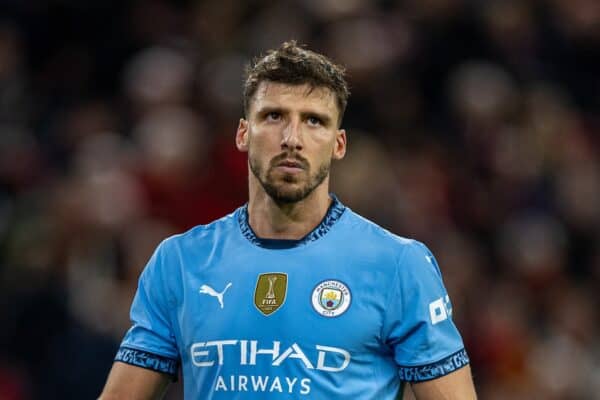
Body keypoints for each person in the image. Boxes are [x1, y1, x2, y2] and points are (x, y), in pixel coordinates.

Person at [99, 41, 477, 399]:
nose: (292, 138)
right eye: (274, 116)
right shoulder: (180, 262)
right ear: (244, 133)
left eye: (314, 121)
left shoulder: (398, 266)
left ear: (339, 144)